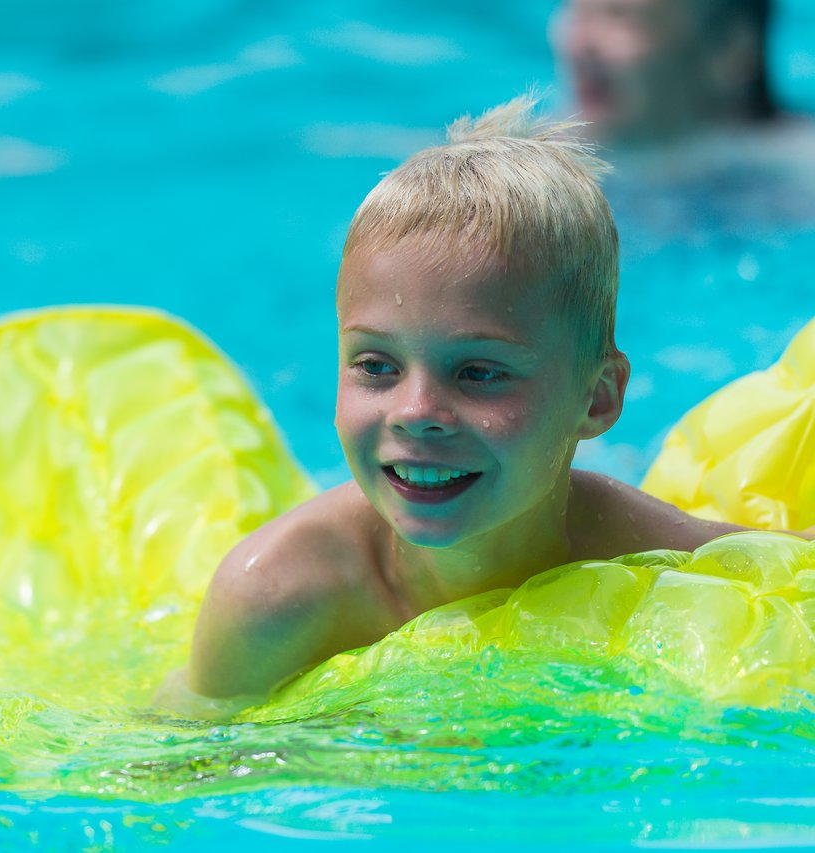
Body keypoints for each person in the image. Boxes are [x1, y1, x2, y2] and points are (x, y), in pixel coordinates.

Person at [173, 94, 814, 708]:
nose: (415, 409)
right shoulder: (278, 599)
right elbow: (180, 765)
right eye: (376, 366)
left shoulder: (631, 547)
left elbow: (788, 567)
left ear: (596, 399)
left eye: (478, 373)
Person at [552, 0, 776, 145]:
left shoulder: (796, 175)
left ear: (729, 49)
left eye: (621, 18)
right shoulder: (536, 152)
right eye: (580, 15)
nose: (581, 45)